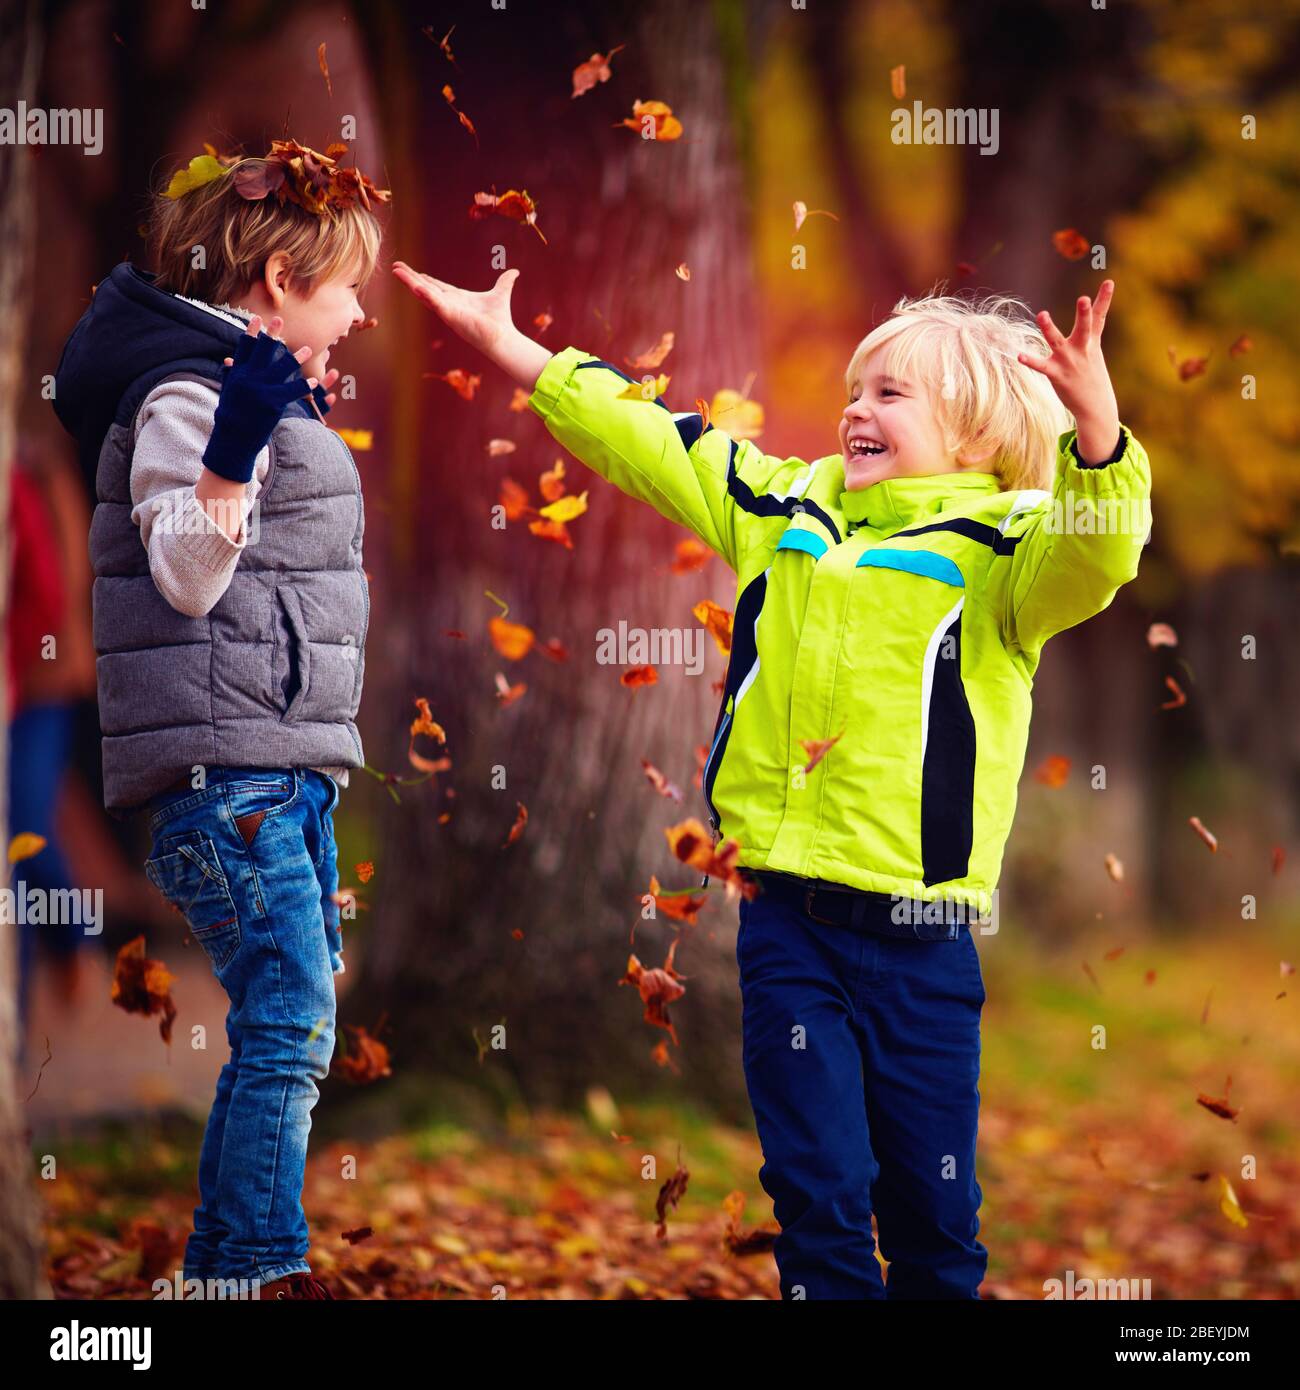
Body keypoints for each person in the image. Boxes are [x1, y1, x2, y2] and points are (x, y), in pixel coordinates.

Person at [392, 261, 1151, 1299]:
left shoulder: (1009, 555)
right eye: (853, 389)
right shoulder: (787, 507)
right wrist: (514, 349)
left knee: (933, 1212)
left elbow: (1101, 552)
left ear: (975, 434)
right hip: (787, 924)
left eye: (891, 394)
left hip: (921, 941)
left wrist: (1098, 436)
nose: (857, 409)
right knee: (817, 1188)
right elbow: (654, 441)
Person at [52, 139, 388, 1301]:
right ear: (284, 282)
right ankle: (241, 1270)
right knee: (289, 1012)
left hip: (280, 770)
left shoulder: (240, 382)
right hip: (223, 777)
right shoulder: (187, 394)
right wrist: (239, 441)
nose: (357, 312)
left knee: (292, 1012)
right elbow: (188, 575)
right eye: (346, 286)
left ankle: (239, 1261)